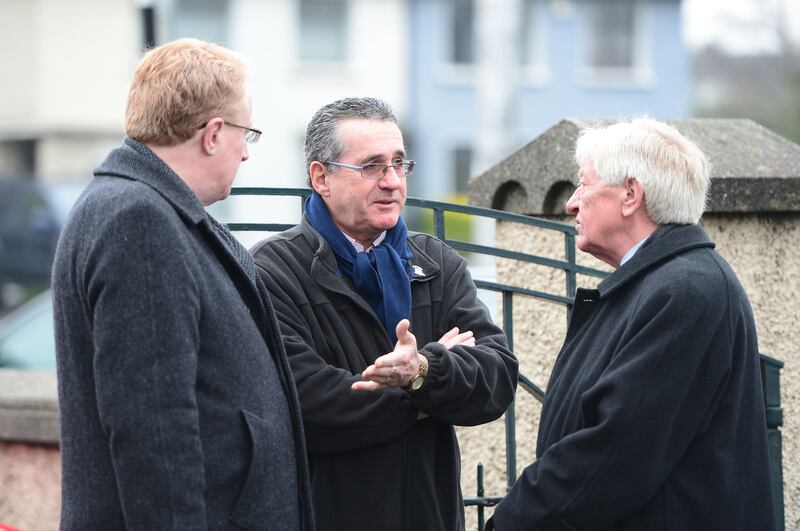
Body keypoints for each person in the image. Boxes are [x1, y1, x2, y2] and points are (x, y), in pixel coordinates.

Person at [52, 38, 314, 530]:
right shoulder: (140, 219)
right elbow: (153, 428)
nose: (246, 154)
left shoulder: (143, 207)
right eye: (247, 134)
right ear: (214, 133)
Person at [487, 118, 776, 530]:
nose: (571, 202)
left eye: (584, 185)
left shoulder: (685, 291)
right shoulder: (660, 283)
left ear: (630, 195)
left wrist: (514, 521)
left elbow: (616, 453)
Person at [250, 97, 519, 531]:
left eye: (399, 163)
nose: (392, 181)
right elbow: (307, 407)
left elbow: (496, 379)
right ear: (321, 177)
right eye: (372, 166)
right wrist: (423, 391)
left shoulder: (436, 263)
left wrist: (424, 370)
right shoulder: (273, 271)